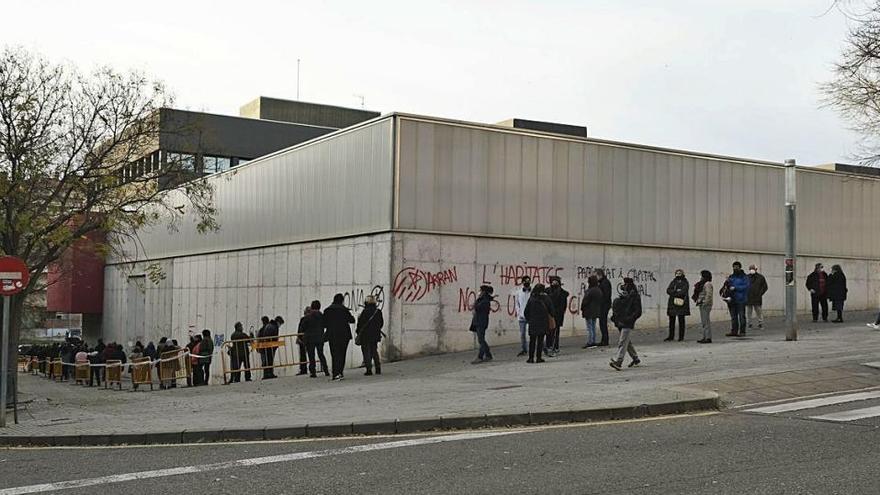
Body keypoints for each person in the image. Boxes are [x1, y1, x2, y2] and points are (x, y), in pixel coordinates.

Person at [609, 277, 642, 370]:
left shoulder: (634, 296)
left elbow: (638, 311)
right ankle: (635, 358)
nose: (622, 286)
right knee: (627, 341)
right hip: (621, 321)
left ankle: (619, 361)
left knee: (622, 342)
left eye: (624, 284)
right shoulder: (625, 295)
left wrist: (629, 319)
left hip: (627, 322)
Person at [324, 294, 355, 380]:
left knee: (334, 354)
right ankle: (340, 372)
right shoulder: (344, 310)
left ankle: (335, 373)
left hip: (332, 334)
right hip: (344, 335)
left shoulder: (327, 310)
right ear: (342, 301)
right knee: (342, 353)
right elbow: (352, 320)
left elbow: (324, 323)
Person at [523, 283, 554, 364]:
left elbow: (526, 312)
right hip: (543, 322)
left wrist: (529, 320)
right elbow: (552, 311)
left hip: (533, 323)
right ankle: (539, 357)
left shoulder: (531, 299)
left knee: (532, 341)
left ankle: (530, 358)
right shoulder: (546, 298)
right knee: (540, 340)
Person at [300, 301, 329, 378]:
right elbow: (325, 325)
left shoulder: (307, 317)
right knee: (321, 354)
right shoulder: (322, 316)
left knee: (311, 355)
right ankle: (326, 370)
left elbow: (302, 328)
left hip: (310, 339)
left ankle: (313, 372)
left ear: (312, 307)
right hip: (320, 338)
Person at [357, 295, 384, 376]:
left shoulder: (365, 311)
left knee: (366, 352)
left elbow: (360, 323)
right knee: (374, 351)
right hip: (375, 334)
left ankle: (369, 369)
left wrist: (358, 332)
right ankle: (378, 368)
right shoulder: (378, 311)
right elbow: (381, 323)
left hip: (365, 335)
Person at [725, 262, 751, 337]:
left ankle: (742, 331)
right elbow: (727, 286)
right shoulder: (731, 276)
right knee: (733, 316)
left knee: (741, 316)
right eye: (734, 267)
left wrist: (736, 288)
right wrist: (727, 281)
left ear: (740, 267)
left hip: (741, 299)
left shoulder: (744, 277)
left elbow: (746, 287)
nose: (735, 268)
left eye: (737, 267)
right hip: (732, 299)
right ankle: (734, 331)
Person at [470, 285, 495, 364]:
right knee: (481, 339)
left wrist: (475, 305)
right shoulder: (483, 300)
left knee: (481, 340)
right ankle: (488, 354)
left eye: (480, 290)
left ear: (483, 292)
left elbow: (477, 308)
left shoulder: (484, 301)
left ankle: (480, 356)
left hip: (481, 322)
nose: (479, 292)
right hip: (479, 321)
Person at [546, 276, 569, 356]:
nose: (554, 284)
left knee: (556, 331)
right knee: (549, 331)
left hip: (558, 315)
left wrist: (557, 312)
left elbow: (563, 306)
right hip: (549, 315)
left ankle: (555, 346)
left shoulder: (562, 293)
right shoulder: (547, 291)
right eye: (553, 282)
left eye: (556, 282)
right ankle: (549, 346)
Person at [665, 269, 690, 342]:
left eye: (680, 273)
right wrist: (676, 291)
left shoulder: (685, 282)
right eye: (677, 273)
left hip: (681, 303)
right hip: (672, 304)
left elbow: (683, 291)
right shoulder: (673, 281)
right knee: (671, 320)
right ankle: (671, 336)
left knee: (681, 320)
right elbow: (668, 290)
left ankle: (681, 337)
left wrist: (674, 292)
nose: (678, 274)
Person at [580, 275, 603, 348]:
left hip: (589, 311)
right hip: (596, 310)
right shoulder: (598, 290)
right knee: (593, 326)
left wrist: (582, 307)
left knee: (589, 327)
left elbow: (585, 301)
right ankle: (593, 340)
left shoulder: (590, 291)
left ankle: (590, 341)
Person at [513, 276, 532, 357]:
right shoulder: (519, 292)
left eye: (528, 281)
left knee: (534, 333)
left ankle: (541, 347)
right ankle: (524, 349)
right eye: (525, 281)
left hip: (531, 316)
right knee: (522, 334)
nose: (527, 282)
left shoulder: (533, 292)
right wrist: (519, 314)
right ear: (523, 282)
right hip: (522, 317)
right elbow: (517, 304)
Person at [694, 270, 714, 344]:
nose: (701, 277)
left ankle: (708, 337)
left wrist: (704, 302)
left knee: (705, 321)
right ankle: (705, 336)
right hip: (702, 304)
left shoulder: (707, 284)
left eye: (702, 276)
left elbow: (708, 295)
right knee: (704, 321)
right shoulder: (703, 284)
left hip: (705, 305)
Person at [746, 264, 768, 330]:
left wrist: (760, 293)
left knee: (758, 311)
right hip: (749, 297)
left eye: (752, 268)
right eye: (750, 269)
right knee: (749, 312)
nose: (751, 270)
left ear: (756, 269)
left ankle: (760, 323)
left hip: (757, 297)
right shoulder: (747, 277)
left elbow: (765, 287)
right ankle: (749, 324)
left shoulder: (760, 277)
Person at [596, 269, 612, 346]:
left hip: (604, 305)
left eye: (596, 276)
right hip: (604, 305)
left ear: (600, 275)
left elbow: (606, 295)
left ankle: (605, 340)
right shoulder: (603, 282)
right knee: (602, 323)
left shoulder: (604, 283)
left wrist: (601, 301)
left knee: (603, 323)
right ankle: (604, 339)